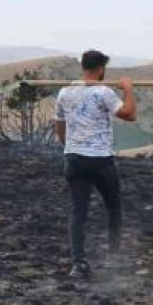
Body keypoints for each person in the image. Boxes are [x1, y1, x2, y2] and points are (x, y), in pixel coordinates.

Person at [53, 49, 137, 277]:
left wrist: (69, 146)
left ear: (83, 67)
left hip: (74, 159)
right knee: (113, 207)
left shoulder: (65, 92)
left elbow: (59, 126)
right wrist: (128, 88)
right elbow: (129, 114)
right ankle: (113, 257)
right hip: (100, 160)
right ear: (101, 69)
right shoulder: (103, 92)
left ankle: (78, 264)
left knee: (78, 212)